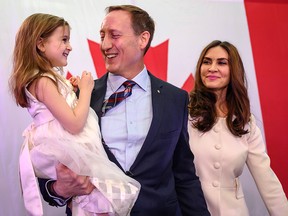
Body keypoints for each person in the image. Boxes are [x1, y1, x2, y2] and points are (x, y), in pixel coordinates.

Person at [38, 5, 211, 216]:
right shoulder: (78, 97)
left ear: (143, 39)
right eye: (102, 36)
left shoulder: (175, 100)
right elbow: (47, 172)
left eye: (114, 35)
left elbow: (184, 176)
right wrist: (60, 189)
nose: (104, 45)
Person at [9, 13, 141, 216]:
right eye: (64, 40)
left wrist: (69, 92)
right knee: (94, 197)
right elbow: (74, 124)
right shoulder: (44, 81)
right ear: (41, 44)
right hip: (66, 143)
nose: (69, 46)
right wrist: (86, 90)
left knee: (97, 195)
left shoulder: (47, 79)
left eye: (68, 40)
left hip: (69, 143)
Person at [188, 40, 288, 216]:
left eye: (221, 62)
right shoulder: (183, 112)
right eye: (206, 61)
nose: (212, 68)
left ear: (234, 70)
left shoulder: (245, 121)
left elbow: (266, 178)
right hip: (189, 210)